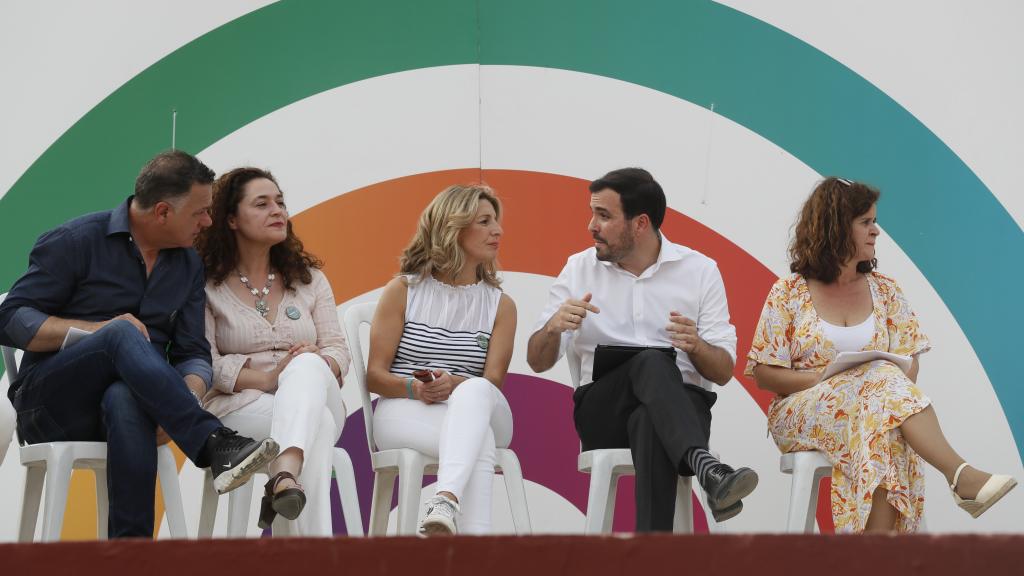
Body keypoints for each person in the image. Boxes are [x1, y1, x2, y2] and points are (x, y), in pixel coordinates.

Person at [0, 150, 279, 538]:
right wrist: (96, 330)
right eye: (200, 211)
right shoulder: (76, 241)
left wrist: (182, 397)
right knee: (120, 333)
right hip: (51, 406)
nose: (208, 221)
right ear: (162, 212)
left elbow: (193, 352)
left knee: (125, 395)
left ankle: (130, 557)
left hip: (139, 410)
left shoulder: (187, 264)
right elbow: (11, 318)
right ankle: (213, 442)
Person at [746, 177, 1017, 533]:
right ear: (836, 227)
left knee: (885, 428)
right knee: (880, 384)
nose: (876, 231)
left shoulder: (886, 290)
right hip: (801, 412)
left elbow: (909, 366)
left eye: (874, 221)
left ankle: (872, 558)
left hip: (873, 411)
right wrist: (825, 378)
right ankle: (959, 475)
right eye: (866, 222)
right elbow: (765, 374)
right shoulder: (789, 292)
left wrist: (871, 381)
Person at [527, 167, 758, 531]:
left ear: (640, 223)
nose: (591, 225)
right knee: (650, 361)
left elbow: (723, 371)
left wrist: (696, 345)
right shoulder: (578, 269)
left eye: (604, 215)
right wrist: (554, 327)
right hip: (604, 413)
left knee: (650, 419)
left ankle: (652, 556)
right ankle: (707, 469)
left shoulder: (699, 270)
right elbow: (537, 361)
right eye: (592, 213)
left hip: (682, 411)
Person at [196, 167, 350, 535]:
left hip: (317, 392)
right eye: (262, 204)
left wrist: (313, 362)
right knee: (319, 425)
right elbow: (206, 363)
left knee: (309, 364)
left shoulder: (309, 279)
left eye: (280, 202)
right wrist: (268, 377)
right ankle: (309, 542)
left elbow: (339, 350)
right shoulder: (207, 285)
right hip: (239, 408)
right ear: (231, 219)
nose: (278, 211)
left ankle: (282, 474)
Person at [365, 184, 515, 535]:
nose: (498, 230)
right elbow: (374, 376)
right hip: (404, 406)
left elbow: (492, 383)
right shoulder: (403, 290)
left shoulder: (501, 305)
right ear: (453, 228)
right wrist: (415, 388)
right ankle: (472, 547)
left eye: (496, 221)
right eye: (484, 221)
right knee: (479, 441)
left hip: (481, 407)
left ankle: (445, 496)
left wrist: (455, 384)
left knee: (475, 392)